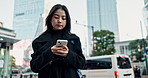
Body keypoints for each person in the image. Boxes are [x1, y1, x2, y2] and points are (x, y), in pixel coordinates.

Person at [30, 4, 86, 78]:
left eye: (63, 18)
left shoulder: (74, 39)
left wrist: (68, 54)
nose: (59, 21)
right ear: (50, 19)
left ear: (67, 21)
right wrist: (50, 52)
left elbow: (81, 63)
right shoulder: (39, 41)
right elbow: (34, 67)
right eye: (56, 17)